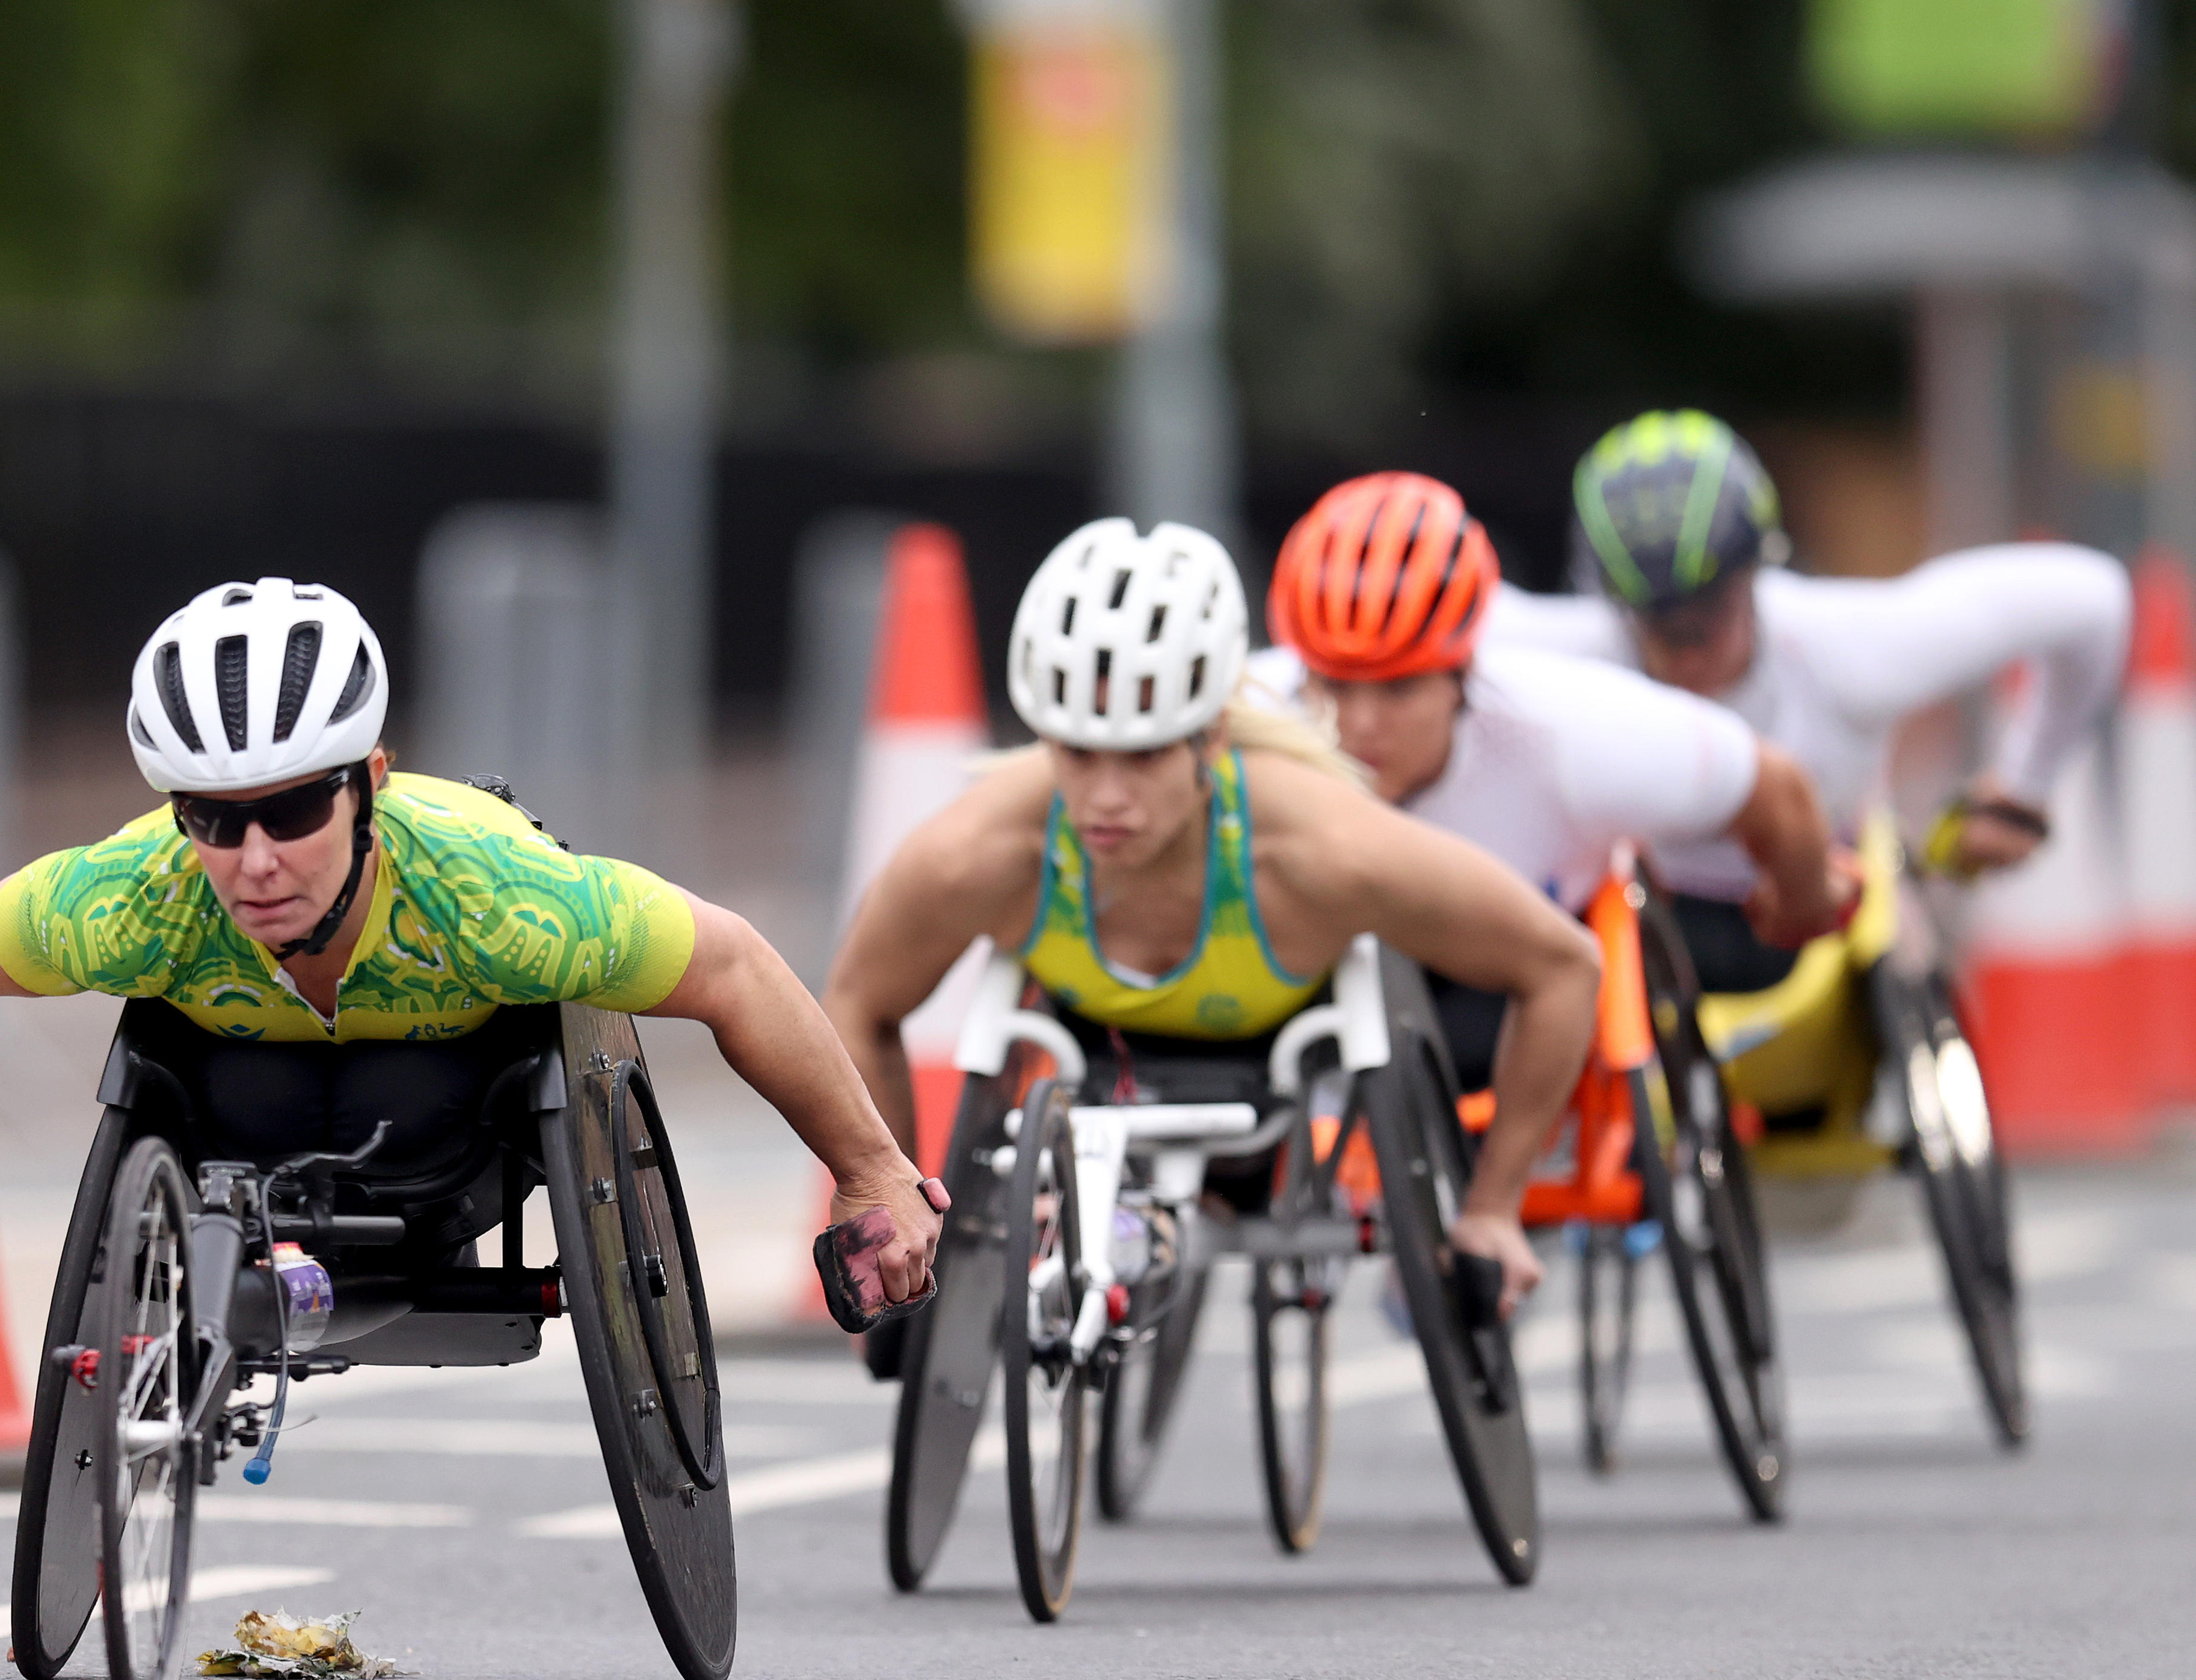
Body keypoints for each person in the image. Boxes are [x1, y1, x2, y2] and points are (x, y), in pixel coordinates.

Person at [0, 575, 943, 1312]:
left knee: (416, 1062)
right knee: (185, 1057)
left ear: (370, 785)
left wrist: (873, 1170)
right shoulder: (137, 892)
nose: (253, 859)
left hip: (455, 1134)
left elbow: (734, 968)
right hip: (239, 1126)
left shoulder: (497, 899)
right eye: (211, 819)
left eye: (294, 813)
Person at [823, 518, 1601, 1316]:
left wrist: (1495, 1206)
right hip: (1095, 1055)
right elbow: (859, 1002)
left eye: (1146, 753)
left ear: (1212, 735)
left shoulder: (1327, 843)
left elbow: (1563, 965)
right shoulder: (976, 851)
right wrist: (889, 1209)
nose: (1106, 797)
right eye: (1078, 752)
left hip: (1281, 1075)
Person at [1487, 411, 2130, 995]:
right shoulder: (1574, 652)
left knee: (1904, 975)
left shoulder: (1849, 649)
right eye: (1659, 624)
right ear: (1613, 607)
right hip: (1642, 931)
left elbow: (2090, 600)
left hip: (1837, 930)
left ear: (1754, 572)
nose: (1688, 652)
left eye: (1709, 611)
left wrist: (2022, 790)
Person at [1256, 471, 1853, 1087]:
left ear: (1461, 675)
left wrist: (1802, 899)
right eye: (1331, 685)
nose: (1358, 724)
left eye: (1398, 688)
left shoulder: (1569, 730)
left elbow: (1774, 787)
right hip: (1315, 991)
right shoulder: (1242, 719)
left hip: (1516, 999)